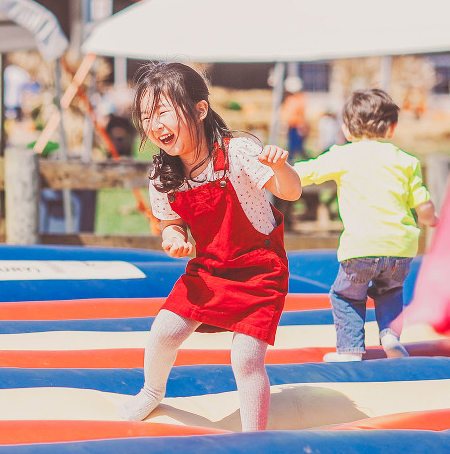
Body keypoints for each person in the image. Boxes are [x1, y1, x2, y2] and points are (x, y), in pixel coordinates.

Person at [118, 62, 302, 432]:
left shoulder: (238, 154)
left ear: (200, 110)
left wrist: (281, 168)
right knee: (164, 332)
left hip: (260, 270)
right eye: (146, 116)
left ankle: (254, 437)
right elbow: (171, 219)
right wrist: (173, 236)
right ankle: (152, 390)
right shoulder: (164, 174)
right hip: (211, 268)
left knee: (246, 359)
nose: (154, 125)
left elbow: (291, 191)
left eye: (163, 112)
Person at [292, 89, 438, 362]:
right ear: (392, 128)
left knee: (347, 296)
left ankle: (349, 350)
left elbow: (306, 172)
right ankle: (390, 336)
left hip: (361, 246)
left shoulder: (344, 155)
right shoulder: (406, 161)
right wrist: (432, 220)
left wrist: (273, 171)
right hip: (401, 247)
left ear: (347, 129)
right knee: (391, 291)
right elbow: (423, 205)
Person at [280, 75, 309, 161]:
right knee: (293, 148)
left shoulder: (298, 99)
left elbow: (299, 115)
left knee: (296, 148)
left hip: (296, 127)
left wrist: (301, 126)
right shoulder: (292, 99)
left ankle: (292, 162)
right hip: (292, 126)